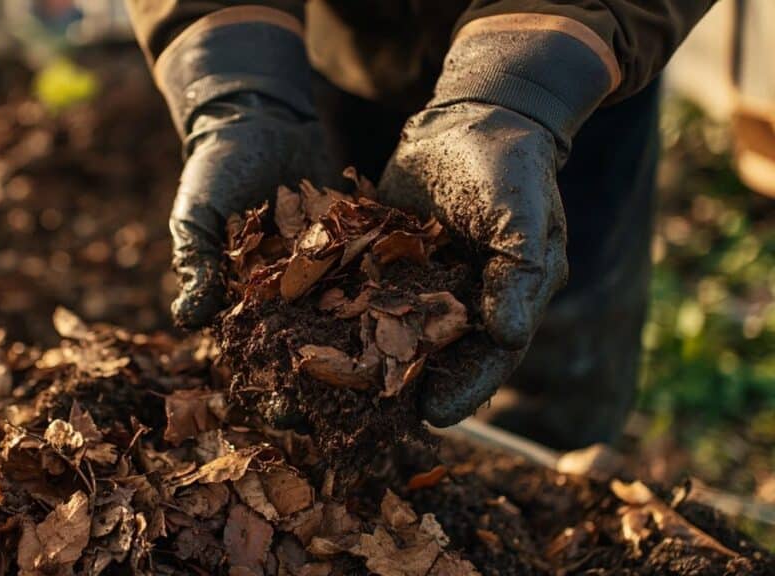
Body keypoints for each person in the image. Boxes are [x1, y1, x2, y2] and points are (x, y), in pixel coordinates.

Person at [124, 1, 717, 450]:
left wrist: (526, 89)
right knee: (337, 422)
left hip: (576, 73)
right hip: (348, 50)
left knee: (547, 316)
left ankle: (547, 475)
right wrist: (239, 86)